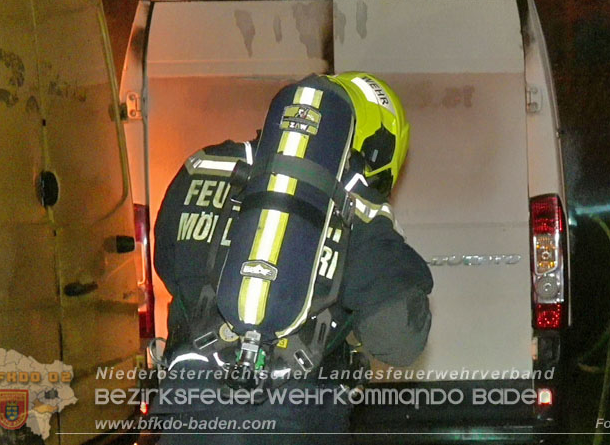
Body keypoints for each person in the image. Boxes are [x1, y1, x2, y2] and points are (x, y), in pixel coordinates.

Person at [151, 72, 432, 444]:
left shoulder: (200, 169)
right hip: (295, 420)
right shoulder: (356, 207)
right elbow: (398, 338)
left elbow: (166, 263)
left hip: (185, 417)